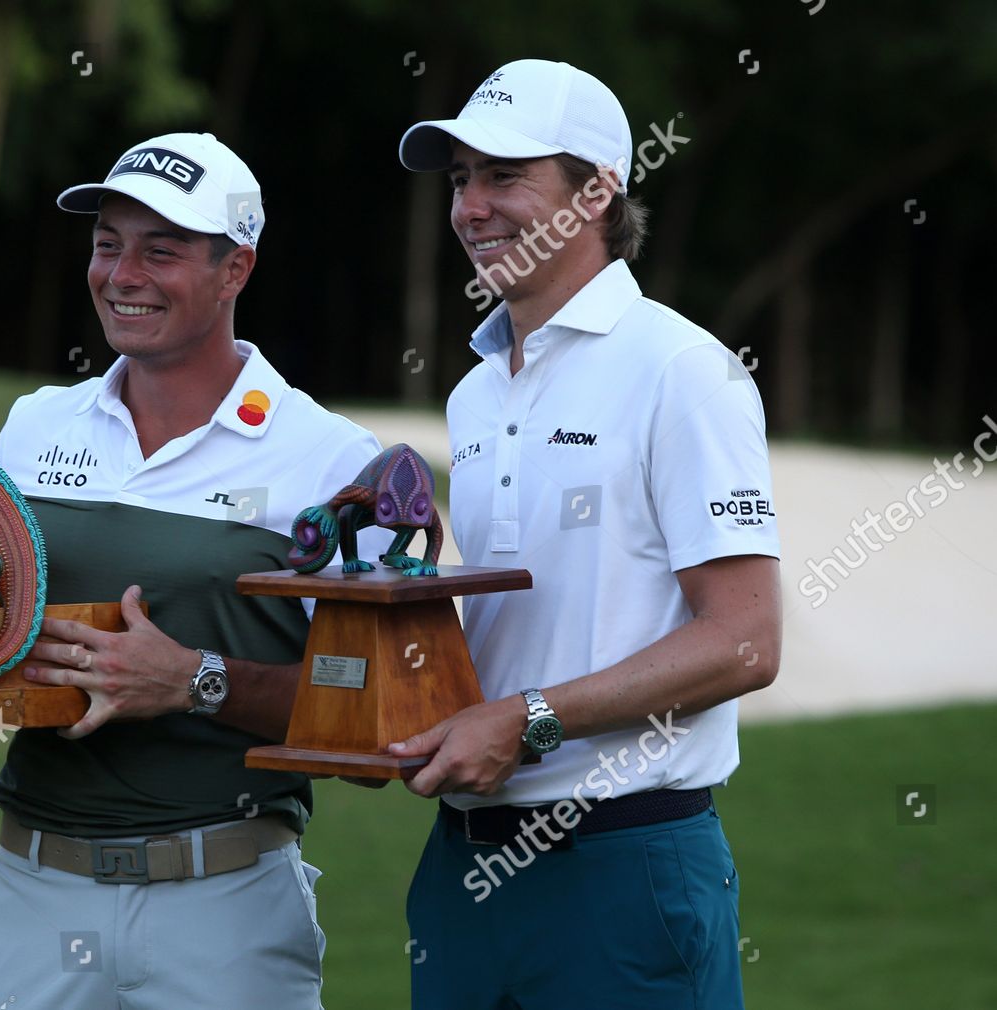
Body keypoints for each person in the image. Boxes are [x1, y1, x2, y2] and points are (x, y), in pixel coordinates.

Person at [0, 132, 387, 1010]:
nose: (121, 273)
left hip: (228, 909)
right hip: (36, 898)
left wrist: (195, 681)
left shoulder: (330, 458)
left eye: (160, 250)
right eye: (106, 244)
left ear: (234, 269)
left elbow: (381, 721)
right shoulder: (36, 425)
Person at [385, 59, 783, 1009]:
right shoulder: (476, 393)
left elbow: (745, 640)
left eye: (504, 176)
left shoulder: (684, 369)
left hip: (627, 865)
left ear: (599, 191)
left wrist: (529, 721)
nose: (471, 207)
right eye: (460, 181)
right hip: (462, 870)